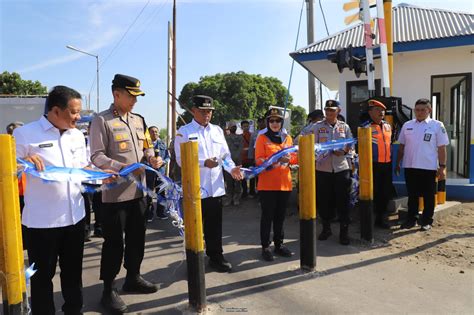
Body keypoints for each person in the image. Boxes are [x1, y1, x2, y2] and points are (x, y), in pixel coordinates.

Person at [13, 86, 90, 314]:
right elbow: (8, 170)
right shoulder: (25, 134)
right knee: (42, 278)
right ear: (55, 111)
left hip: (75, 217)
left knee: (73, 274)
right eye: (74, 112)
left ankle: (73, 310)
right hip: (42, 223)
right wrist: (24, 160)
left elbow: (82, 167)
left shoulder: (77, 135)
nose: (78, 117)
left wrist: (100, 176)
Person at [90, 74, 161, 313]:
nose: (135, 101)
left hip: (138, 193)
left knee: (137, 239)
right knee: (113, 244)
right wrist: (122, 168)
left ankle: (133, 276)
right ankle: (108, 289)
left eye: (137, 97)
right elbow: (96, 155)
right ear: (116, 94)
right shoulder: (102, 120)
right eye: (131, 96)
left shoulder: (139, 120)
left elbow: (146, 146)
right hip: (115, 195)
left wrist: (152, 157)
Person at [174, 95, 243, 272]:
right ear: (194, 111)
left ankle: (216, 256)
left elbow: (225, 156)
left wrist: (232, 169)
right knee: (194, 227)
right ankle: (193, 259)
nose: (207, 115)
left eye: (209, 111)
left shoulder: (217, 131)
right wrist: (204, 162)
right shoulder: (184, 132)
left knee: (214, 226)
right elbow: (181, 160)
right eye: (203, 111)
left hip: (216, 188)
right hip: (196, 189)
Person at [396, 98, 449, 231]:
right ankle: (411, 219)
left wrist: (442, 167)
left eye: (422, 110)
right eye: (417, 110)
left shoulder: (437, 125)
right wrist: (398, 163)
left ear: (429, 110)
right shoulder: (407, 125)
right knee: (412, 195)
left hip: (428, 167)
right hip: (410, 166)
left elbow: (442, 148)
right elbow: (402, 146)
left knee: (428, 196)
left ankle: (426, 221)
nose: (419, 112)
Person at [255, 108, 297, 261]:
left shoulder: (288, 138)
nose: (274, 123)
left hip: (284, 184)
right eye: (271, 120)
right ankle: (265, 247)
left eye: (277, 120)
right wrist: (273, 161)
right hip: (267, 185)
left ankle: (279, 245)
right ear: (267, 122)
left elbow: (294, 158)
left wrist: (289, 159)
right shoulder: (262, 138)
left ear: (281, 122)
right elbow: (258, 159)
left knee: (280, 217)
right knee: (267, 217)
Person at [310, 100, 353, 245]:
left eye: (332, 110)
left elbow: (350, 146)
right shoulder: (317, 127)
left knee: (343, 201)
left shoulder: (344, 127)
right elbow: (312, 147)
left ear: (338, 111)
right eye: (327, 110)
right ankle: (326, 228)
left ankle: (344, 232)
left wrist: (345, 151)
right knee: (324, 200)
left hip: (341, 168)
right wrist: (322, 151)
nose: (329, 112)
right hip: (323, 169)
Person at [362, 99, 394, 228]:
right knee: (374, 192)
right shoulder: (365, 128)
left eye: (382, 110)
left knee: (385, 192)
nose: (381, 112)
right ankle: (370, 219)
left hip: (386, 164)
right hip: (372, 165)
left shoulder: (387, 126)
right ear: (370, 112)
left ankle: (381, 218)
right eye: (377, 110)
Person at [146, 125, 170, 221]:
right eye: (152, 131)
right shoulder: (146, 145)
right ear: (148, 133)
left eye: (156, 131)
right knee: (149, 194)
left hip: (160, 173)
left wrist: (163, 162)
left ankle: (160, 213)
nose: (154, 133)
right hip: (149, 173)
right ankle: (149, 214)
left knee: (161, 193)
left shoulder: (162, 144)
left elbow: (168, 157)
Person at [224, 121, 243, 206]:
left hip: (237, 162)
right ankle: (229, 198)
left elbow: (240, 149)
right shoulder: (225, 138)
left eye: (234, 126)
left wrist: (236, 158)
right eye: (232, 126)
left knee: (237, 181)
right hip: (227, 163)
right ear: (229, 128)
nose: (233, 128)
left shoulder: (240, 137)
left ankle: (236, 198)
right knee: (229, 181)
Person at [240, 120, 256, 198]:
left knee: (252, 176)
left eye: (247, 126)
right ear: (241, 127)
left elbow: (254, 147)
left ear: (249, 126)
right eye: (244, 126)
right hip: (242, 159)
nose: (246, 127)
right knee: (242, 176)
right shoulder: (239, 136)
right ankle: (244, 192)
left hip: (250, 158)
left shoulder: (252, 135)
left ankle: (252, 191)